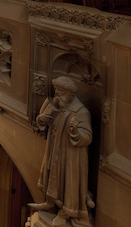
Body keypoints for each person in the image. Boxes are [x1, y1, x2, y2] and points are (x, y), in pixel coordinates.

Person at [30, 75, 94, 226]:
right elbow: (42, 121)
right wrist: (43, 119)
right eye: (56, 92)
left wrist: (76, 132)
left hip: (70, 155)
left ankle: (66, 212)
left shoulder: (81, 112)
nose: (57, 96)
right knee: (51, 174)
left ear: (70, 94)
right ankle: (50, 201)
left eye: (61, 92)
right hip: (55, 148)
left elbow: (88, 136)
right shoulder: (57, 105)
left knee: (68, 183)